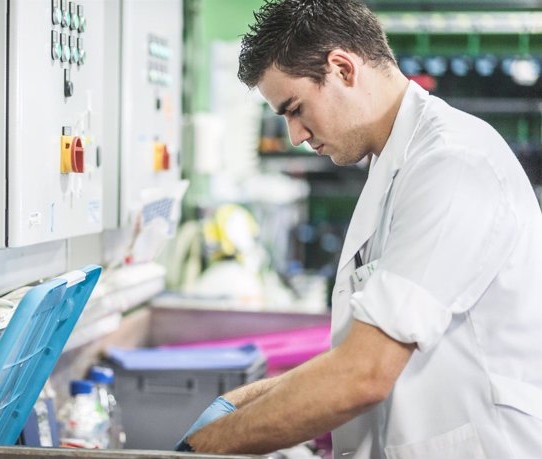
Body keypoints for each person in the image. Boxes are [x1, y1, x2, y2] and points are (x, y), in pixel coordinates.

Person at [175, 0, 542, 457]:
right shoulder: (396, 164)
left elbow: (364, 373)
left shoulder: (452, 166)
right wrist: (242, 401)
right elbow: (359, 351)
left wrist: (202, 448)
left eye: (295, 109)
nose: (295, 136)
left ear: (343, 69)